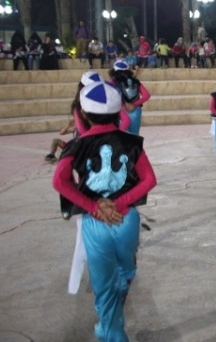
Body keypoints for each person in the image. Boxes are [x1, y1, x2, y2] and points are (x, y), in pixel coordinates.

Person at [52, 81, 157, 341]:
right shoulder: (132, 142)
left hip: (96, 222)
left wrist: (94, 206)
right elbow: (149, 180)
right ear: (118, 110)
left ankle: (113, 332)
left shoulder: (77, 145)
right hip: (127, 218)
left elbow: (60, 182)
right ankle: (108, 324)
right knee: (125, 273)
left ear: (84, 113)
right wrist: (120, 203)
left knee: (104, 284)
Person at [108, 62, 151, 135]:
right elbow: (146, 95)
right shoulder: (135, 81)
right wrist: (134, 104)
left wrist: (122, 106)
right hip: (135, 110)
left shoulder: (112, 81)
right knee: (134, 135)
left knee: (122, 136)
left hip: (121, 111)